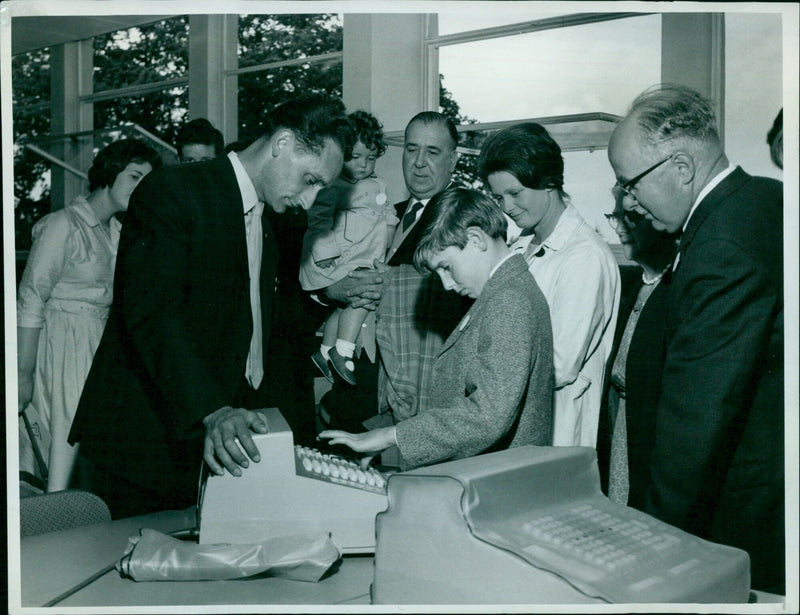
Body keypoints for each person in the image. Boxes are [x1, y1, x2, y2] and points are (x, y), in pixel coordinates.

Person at [68, 94, 352, 518]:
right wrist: (212, 410)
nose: (309, 201)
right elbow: (153, 314)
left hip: (211, 439)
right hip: (144, 444)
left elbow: (257, 325)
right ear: (283, 144)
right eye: (310, 180)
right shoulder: (172, 191)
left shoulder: (273, 220)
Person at [607, 84, 784, 594]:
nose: (627, 202)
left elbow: (697, 420)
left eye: (629, 183)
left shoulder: (721, 246)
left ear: (682, 168)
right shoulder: (765, 200)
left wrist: (653, 546)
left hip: (745, 511)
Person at [318, 187, 553, 469]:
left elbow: (488, 416)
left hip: (499, 479)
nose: (446, 284)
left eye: (446, 267)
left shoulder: (508, 300)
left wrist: (392, 436)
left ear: (476, 239)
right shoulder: (503, 290)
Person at [16, 139, 162, 493]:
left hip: (100, 344)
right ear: (110, 174)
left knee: (95, 446)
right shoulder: (62, 225)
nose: (141, 187)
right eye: (134, 176)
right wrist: (23, 374)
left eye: (148, 180)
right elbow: (31, 299)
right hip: (63, 344)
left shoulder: (118, 231)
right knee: (64, 440)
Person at [317, 111, 470, 440]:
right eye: (411, 149)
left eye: (432, 152)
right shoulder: (383, 211)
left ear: (453, 160)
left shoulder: (462, 221)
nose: (418, 163)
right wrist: (331, 290)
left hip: (401, 403)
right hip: (347, 389)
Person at [478, 122, 620, 448]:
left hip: (556, 436)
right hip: (518, 427)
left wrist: (481, 372)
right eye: (498, 197)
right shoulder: (522, 248)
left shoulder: (584, 256)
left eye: (515, 193)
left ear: (548, 182)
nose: (507, 207)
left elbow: (559, 364)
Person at [299, 110, 397, 385]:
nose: (363, 165)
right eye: (355, 157)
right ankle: (344, 350)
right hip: (347, 255)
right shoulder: (333, 185)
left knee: (343, 309)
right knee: (359, 299)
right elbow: (318, 219)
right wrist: (326, 251)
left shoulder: (377, 183)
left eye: (371, 158)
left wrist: (390, 229)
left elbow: (388, 211)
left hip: (369, 253)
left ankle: (325, 351)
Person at [597, 187, 678, 506]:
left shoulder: (677, 290)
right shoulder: (630, 285)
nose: (617, 228)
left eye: (628, 218)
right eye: (615, 216)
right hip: (619, 436)